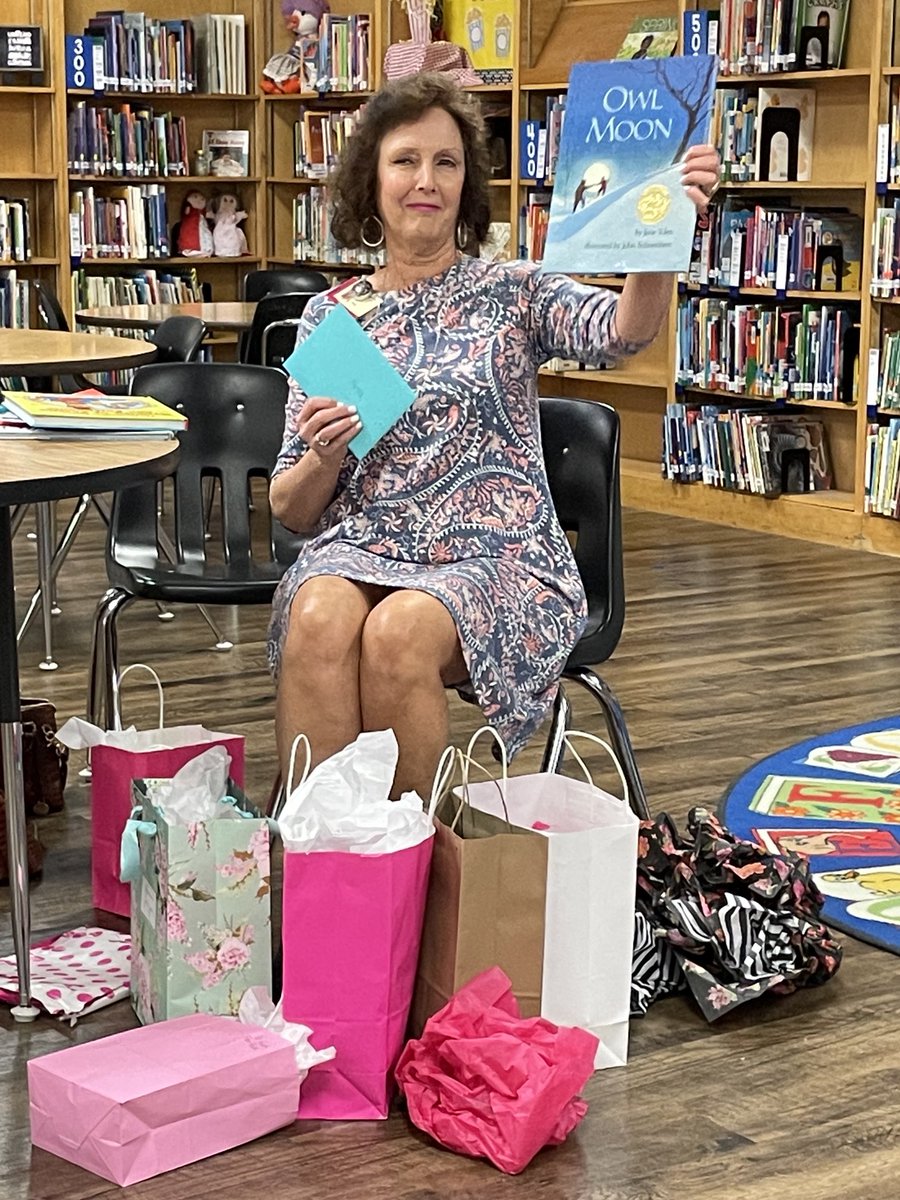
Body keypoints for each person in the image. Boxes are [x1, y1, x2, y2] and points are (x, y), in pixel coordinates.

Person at [268, 73, 719, 797]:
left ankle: (415, 876)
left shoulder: (516, 289)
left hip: (496, 556)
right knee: (317, 614)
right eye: (406, 160)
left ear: (467, 183)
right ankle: (331, 876)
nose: (426, 180)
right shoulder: (333, 317)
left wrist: (664, 232)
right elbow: (291, 508)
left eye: (446, 163)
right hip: (367, 545)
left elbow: (625, 332)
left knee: (399, 633)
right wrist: (325, 454)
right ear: (371, 179)